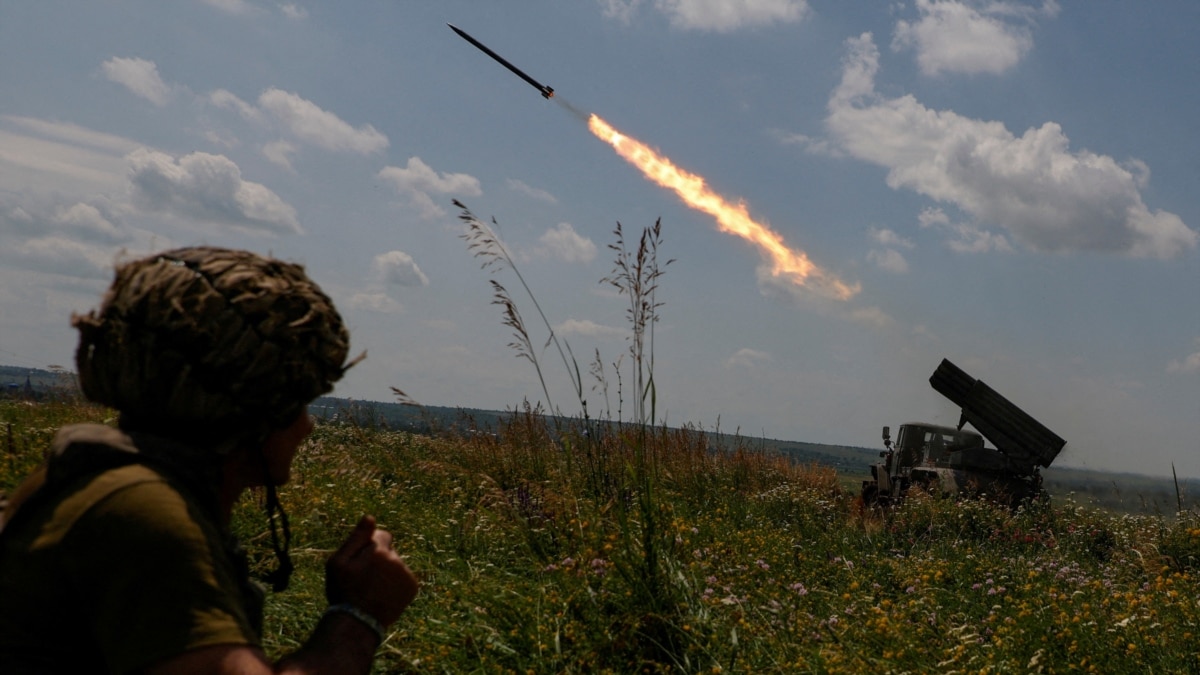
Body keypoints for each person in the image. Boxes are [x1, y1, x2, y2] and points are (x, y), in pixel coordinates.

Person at [0, 246, 419, 674]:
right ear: (254, 411)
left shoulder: (106, 477)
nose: (306, 427)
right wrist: (359, 616)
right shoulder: (142, 514)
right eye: (298, 403)